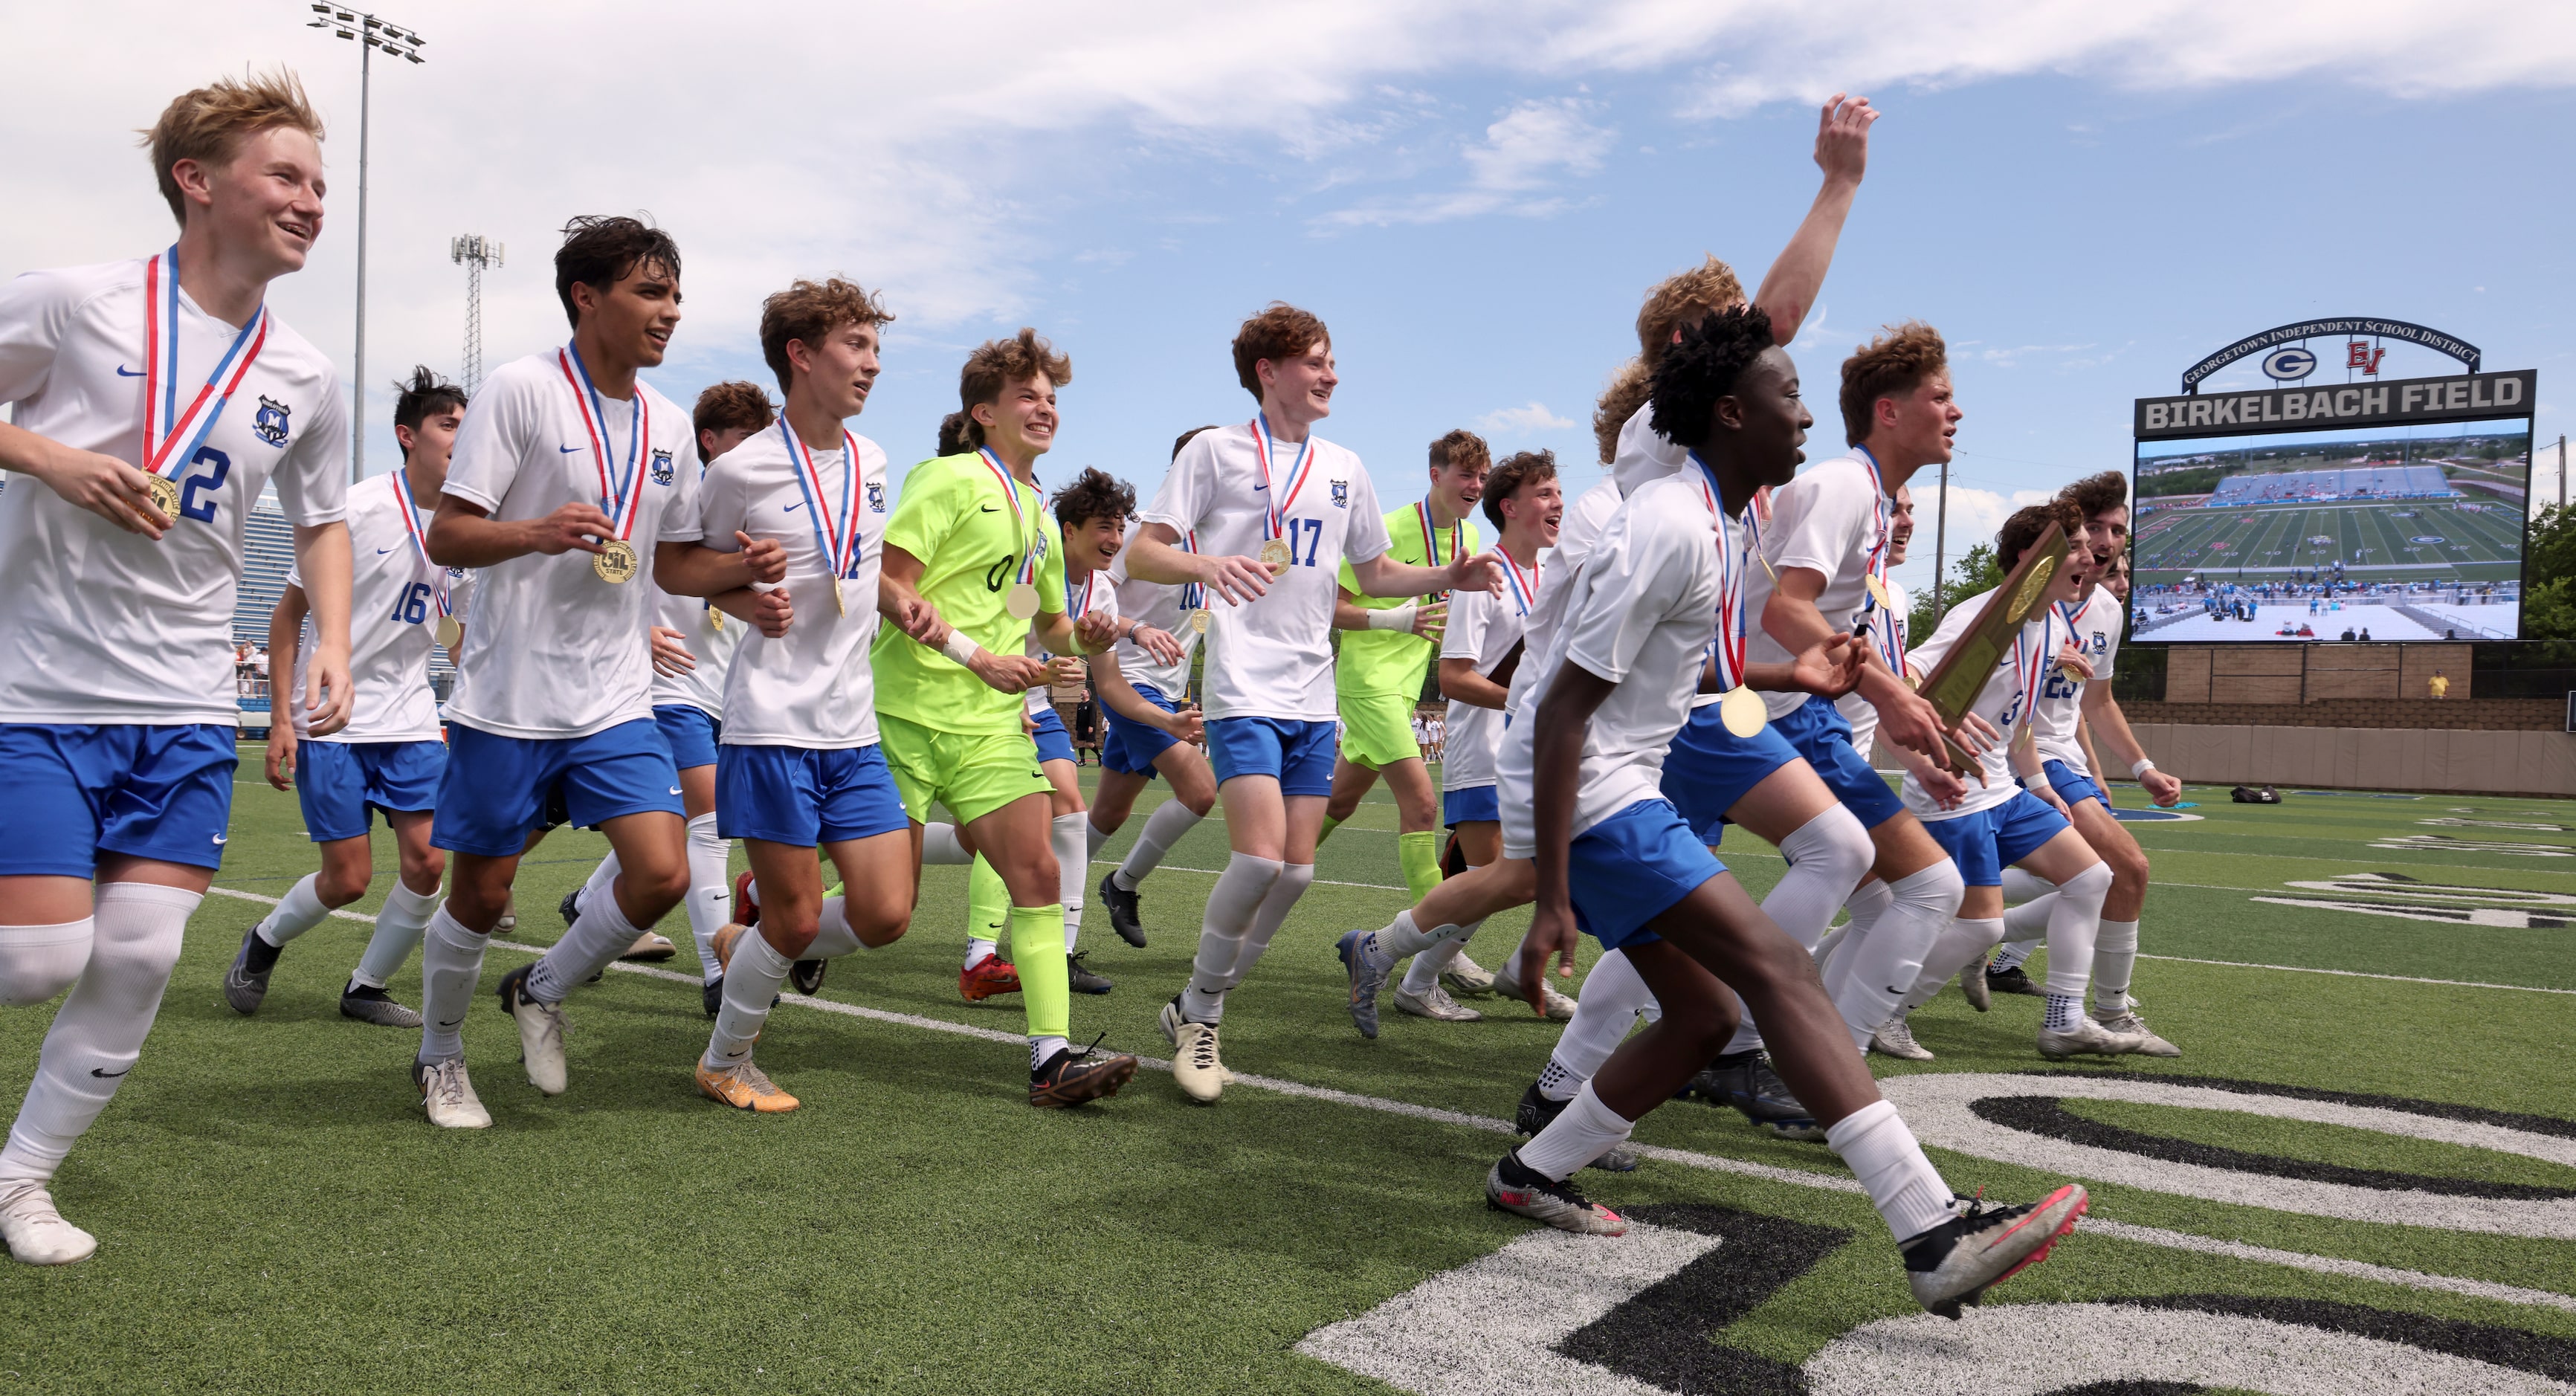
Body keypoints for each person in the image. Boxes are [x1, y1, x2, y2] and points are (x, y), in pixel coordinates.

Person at [1486, 310, 2086, 1322]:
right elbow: (1560, 711)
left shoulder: (1722, 519)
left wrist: (1791, 670)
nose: (1805, 417)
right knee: (1775, 967)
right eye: (1787, 396)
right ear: (1729, 412)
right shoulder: (1669, 522)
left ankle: (1534, 1169)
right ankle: (1930, 1227)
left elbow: (1695, 665)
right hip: (1591, 785)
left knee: (1708, 1011)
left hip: (1618, 775)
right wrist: (1550, 893)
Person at [0, 71, 352, 1263]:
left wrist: (336, 645)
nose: (312, 201)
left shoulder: (304, 371)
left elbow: (321, 524)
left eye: (319, 182)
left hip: (186, 704)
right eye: (286, 176)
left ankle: (21, 1181)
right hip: (35, 689)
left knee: (142, 951)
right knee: (34, 957)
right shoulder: (74, 302)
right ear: (196, 182)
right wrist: (44, 456)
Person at [1123, 303, 1501, 1103]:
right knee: (1259, 858)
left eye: (1332, 362)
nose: (1332, 374)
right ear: (1269, 371)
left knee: (1295, 874)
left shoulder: (1346, 466)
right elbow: (1143, 552)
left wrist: (1447, 578)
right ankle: (1203, 1018)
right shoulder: (1214, 452)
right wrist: (1208, 564)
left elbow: (1373, 573)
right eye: (1317, 361)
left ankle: (1195, 1005)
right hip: (1242, 690)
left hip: (1313, 695)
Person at [413, 216, 711, 1129]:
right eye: (650, 292)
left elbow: (679, 563)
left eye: (674, 294)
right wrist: (537, 532)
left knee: (661, 873)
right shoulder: (519, 389)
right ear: (587, 296)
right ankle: (439, 1056)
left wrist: (750, 577)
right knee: (482, 892)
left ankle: (540, 988)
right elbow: (449, 532)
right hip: (509, 697)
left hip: (615, 695)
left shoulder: (669, 421)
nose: (670, 312)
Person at [656, 277, 915, 1113]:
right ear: (801, 356)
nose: (872, 365)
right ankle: (726, 1059)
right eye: (856, 346)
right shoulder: (739, 469)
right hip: (768, 724)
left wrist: (911, 608)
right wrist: (739, 590)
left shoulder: (875, 461)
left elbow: (856, 571)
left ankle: (746, 938)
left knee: (885, 915)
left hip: (853, 727)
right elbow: (678, 565)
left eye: (876, 348)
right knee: (799, 923)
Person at [871, 329, 1139, 1107]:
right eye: (1028, 396)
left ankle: (1050, 1060)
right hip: (903, 712)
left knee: (1039, 870)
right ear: (983, 411)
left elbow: (1043, 620)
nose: (1044, 409)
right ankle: (759, 913)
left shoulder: (1037, 513)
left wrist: (1079, 638)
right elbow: (891, 585)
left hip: (989, 725)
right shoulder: (948, 479)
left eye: (1052, 399)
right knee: (884, 905)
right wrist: (973, 656)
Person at [226, 366, 467, 1030]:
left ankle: (365, 986)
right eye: (449, 425)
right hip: (332, 719)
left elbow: (458, 633)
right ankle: (265, 940)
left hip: (413, 716)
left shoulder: (469, 525)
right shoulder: (356, 509)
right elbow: (286, 618)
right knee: (348, 879)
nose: (461, 438)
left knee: (427, 863)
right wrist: (282, 720)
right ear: (407, 436)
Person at [1882, 503, 2147, 1061]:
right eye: (2074, 546)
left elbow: (2020, 716)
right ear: (2032, 557)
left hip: (2003, 787)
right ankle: (1886, 1012)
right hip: (1955, 792)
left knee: (2091, 879)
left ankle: (2063, 1020)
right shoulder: (1981, 616)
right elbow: (1906, 674)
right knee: (1977, 929)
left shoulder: (2051, 622)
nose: (2089, 557)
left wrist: (2040, 785)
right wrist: (1932, 741)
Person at [566, 380, 775, 1015]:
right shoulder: (668, 506)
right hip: (660, 691)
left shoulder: (754, 519)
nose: (758, 453)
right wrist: (638, 631)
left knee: (680, 823)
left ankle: (585, 906)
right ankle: (720, 970)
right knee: (711, 823)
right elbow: (599, 574)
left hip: (720, 698)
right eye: (745, 439)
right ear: (708, 442)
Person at [940, 468, 1185, 1003]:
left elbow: (1109, 681)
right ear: (1067, 530)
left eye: (1120, 528)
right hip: (980, 703)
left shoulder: (1101, 587)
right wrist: (1023, 689)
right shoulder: (1028, 570)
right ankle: (979, 953)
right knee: (993, 827)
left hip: (1031, 706)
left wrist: (1167, 720)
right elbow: (987, 640)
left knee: (1067, 815)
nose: (1115, 540)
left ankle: (1060, 953)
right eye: (1104, 526)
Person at [1975, 476, 2182, 1059]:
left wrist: (2138, 768)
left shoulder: (2106, 611)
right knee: (2123, 870)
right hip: (2016, 757)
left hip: (2054, 760)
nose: (2106, 541)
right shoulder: (2025, 598)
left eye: (2117, 531)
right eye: (2094, 528)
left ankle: (1966, 940)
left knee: (2071, 881)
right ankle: (2107, 1011)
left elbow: (2095, 702)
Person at [1379, 448, 1564, 1024]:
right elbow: (1456, 679)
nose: (1559, 503)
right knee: (1498, 882)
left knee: (1508, 880)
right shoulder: (1482, 578)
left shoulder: (1552, 577)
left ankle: (1487, 972)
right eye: (1544, 494)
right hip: (1483, 754)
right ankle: (1415, 978)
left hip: (1534, 755)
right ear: (1509, 508)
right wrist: (1529, 702)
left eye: (1559, 492)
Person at [1321, 430, 1489, 925]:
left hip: (1406, 690)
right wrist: (1395, 619)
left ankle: (1269, 872)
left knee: (1340, 802)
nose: (1476, 485)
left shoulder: (1471, 538)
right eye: (1465, 475)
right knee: (1421, 805)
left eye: (1482, 476)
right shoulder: (1387, 528)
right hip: (1367, 683)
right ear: (1435, 475)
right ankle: (1437, 939)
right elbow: (1330, 606)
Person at [1088, 428, 1224, 950]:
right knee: (1200, 791)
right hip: (1129, 682)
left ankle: (1038, 893)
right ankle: (1121, 884)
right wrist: (1136, 629)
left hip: (1168, 690)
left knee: (1108, 813)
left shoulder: (1214, 539)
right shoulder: (1143, 533)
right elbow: (1094, 599)